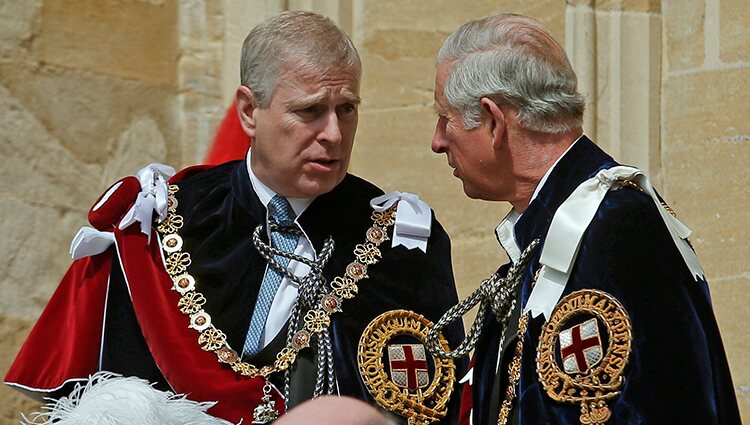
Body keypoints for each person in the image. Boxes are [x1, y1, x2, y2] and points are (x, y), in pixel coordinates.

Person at [5, 11, 464, 425]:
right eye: (309, 110)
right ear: (249, 112)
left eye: (347, 109)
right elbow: (96, 398)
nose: (333, 133)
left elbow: (435, 403)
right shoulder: (160, 221)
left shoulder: (402, 244)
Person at [427, 13, 741, 425]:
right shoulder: (550, 233)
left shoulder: (617, 228)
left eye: (445, 119)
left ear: (493, 122)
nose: (437, 141)